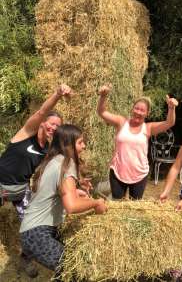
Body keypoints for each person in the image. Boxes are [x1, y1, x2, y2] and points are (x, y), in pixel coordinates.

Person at [0, 84, 72, 277]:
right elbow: (42, 111)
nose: (54, 128)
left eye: (58, 126)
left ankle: (26, 257)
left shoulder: (47, 151)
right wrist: (57, 94)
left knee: (32, 224)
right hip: (0, 184)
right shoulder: (26, 134)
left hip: (20, 190)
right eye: (52, 123)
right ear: (42, 123)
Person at [19, 124, 107, 277]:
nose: (84, 146)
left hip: (33, 230)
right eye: (80, 142)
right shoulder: (66, 164)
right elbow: (71, 206)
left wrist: (76, 191)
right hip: (37, 233)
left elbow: (54, 192)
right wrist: (96, 203)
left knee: (68, 271)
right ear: (67, 144)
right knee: (74, 269)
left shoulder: (54, 160)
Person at [97, 85, 178, 200]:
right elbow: (102, 112)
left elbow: (169, 122)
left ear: (147, 113)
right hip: (118, 171)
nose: (138, 112)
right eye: (137, 108)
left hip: (139, 174)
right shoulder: (121, 122)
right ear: (132, 109)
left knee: (135, 206)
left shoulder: (148, 128)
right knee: (117, 205)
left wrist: (171, 108)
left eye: (142, 110)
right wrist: (103, 96)